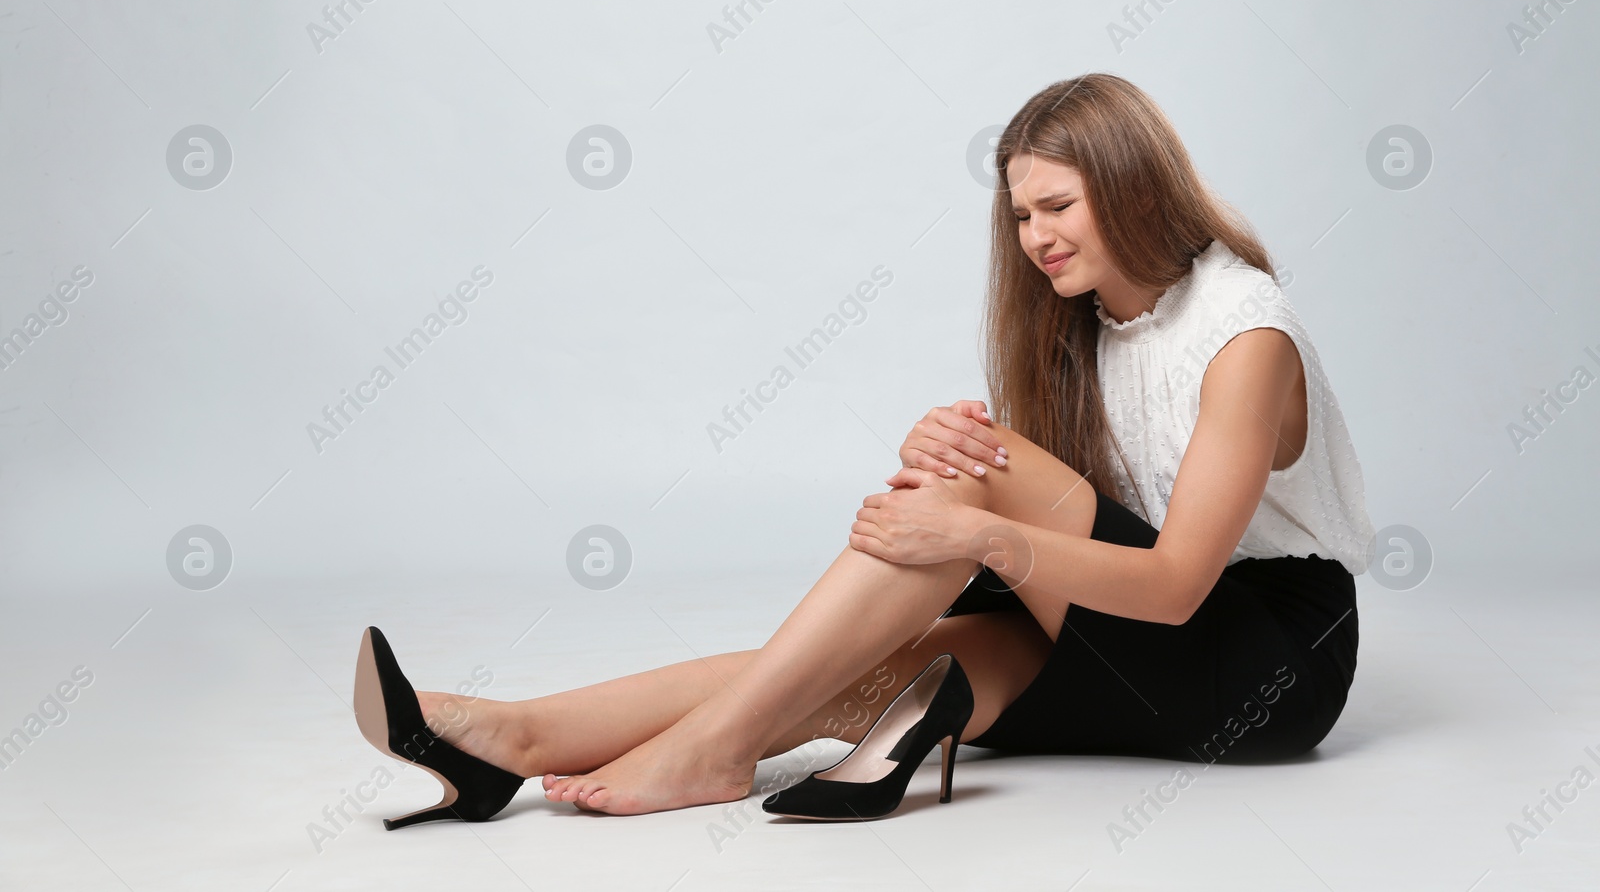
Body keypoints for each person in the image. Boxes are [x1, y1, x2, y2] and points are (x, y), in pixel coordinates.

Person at [356, 72, 1377, 819]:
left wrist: (986, 525)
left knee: (976, 484)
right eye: (1020, 214)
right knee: (845, 673)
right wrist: (965, 471)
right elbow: (1091, 509)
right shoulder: (1089, 325)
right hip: (1141, 637)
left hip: (1262, 663)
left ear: (1134, 189)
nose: (1034, 237)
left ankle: (711, 750)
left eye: (1056, 205)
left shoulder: (1242, 334)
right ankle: (507, 738)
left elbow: (1174, 583)